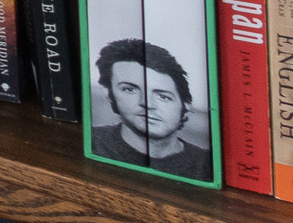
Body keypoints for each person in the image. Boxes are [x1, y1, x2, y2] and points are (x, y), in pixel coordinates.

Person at [89, 37, 214, 179]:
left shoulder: (207, 164)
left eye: (163, 96)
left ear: (184, 106)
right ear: (109, 94)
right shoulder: (93, 142)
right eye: (130, 89)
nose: (147, 104)